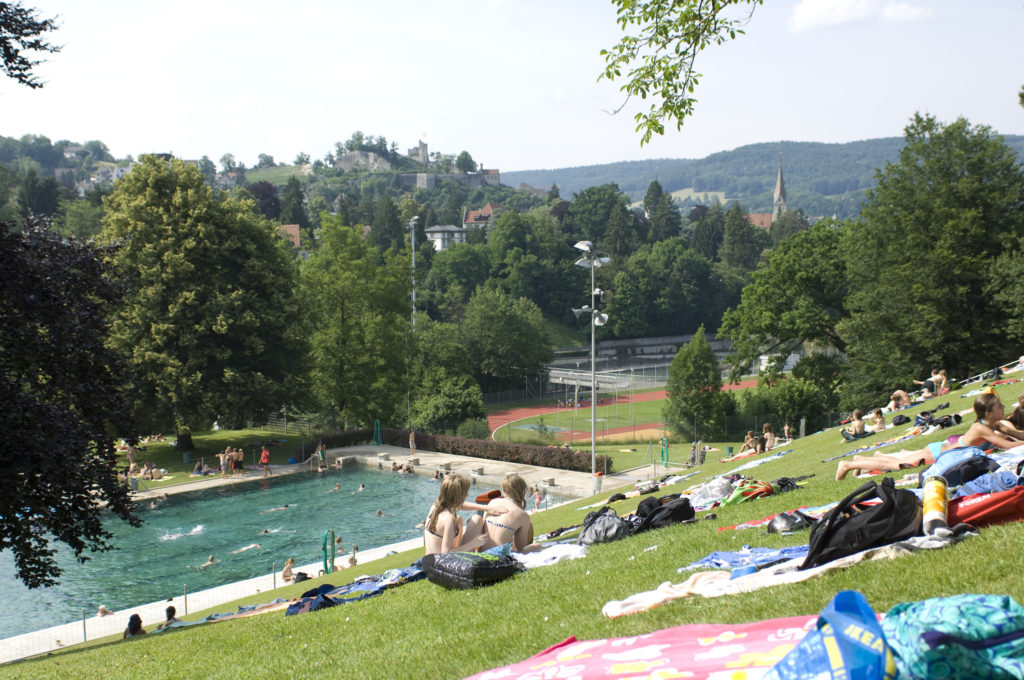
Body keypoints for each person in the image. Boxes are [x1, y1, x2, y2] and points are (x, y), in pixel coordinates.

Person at [836, 393, 1024, 480]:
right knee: (892, 466)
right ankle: (849, 464)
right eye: (999, 406)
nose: (1004, 408)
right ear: (988, 413)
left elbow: (1018, 436)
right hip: (939, 453)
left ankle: (860, 460)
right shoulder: (981, 428)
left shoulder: (994, 424)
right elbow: (1008, 445)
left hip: (945, 450)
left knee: (897, 461)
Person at [423, 474, 498, 555]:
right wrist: (474, 543)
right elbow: (446, 553)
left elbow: (461, 505)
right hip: (441, 564)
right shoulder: (449, 519)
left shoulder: (436, 505)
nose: (467, 495)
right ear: (458, 496)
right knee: (476, 520)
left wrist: (485, 507)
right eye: (465, 493)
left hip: (429, 560)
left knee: (476, 519)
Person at [479, 474, 541, 553]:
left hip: (481, 554)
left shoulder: (492, 503)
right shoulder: (522, 514)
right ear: (522, 491)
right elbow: (521, 548)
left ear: (504, 490)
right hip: (499, 559)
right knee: (537, 546)